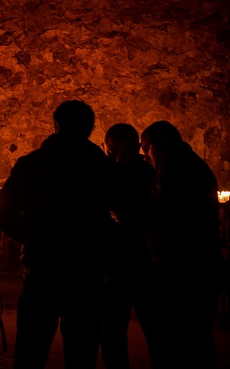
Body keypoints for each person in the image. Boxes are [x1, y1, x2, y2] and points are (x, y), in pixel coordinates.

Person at [0, 100, 118, 369]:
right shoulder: (103, 167)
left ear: (56, 126)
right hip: (87, 267)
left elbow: (2, 214)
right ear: (90, 128)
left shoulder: (31, 164)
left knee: (31, 348)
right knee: (82, 349)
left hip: (43, 265)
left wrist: (32, 236)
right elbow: (122, 215)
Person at [140, 120, 224, 369]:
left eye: (147, 147)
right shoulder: (185, 163)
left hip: (186, 267)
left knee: (183, 338)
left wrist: (132, 214)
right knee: (194, 337)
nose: (145, 155)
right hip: (194, 263)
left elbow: (167, 212)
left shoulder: (175, 167)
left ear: (163, 141)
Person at [100, 123, 156, 369]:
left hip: (145, 263)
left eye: (126, 153)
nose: (119, 160)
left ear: (138, 149)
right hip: (113, 265)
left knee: (156, 330)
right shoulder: (105, 173)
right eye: (112, 153)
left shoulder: (151, 174)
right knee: (112, 332)